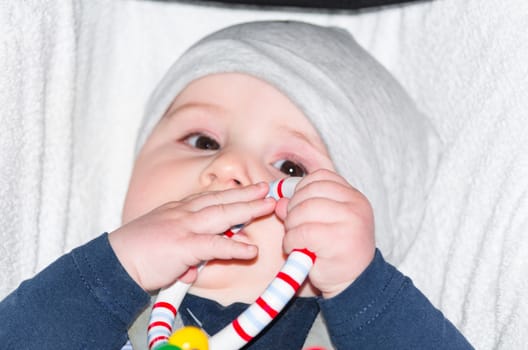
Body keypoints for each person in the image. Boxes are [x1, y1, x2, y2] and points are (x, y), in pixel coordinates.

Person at [0, 21, 473, 349]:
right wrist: (114, 269)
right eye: (202, 140)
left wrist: (364, 289)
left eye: (291, 169)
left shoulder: (352, 334)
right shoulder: (88, 315)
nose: (228, 168)